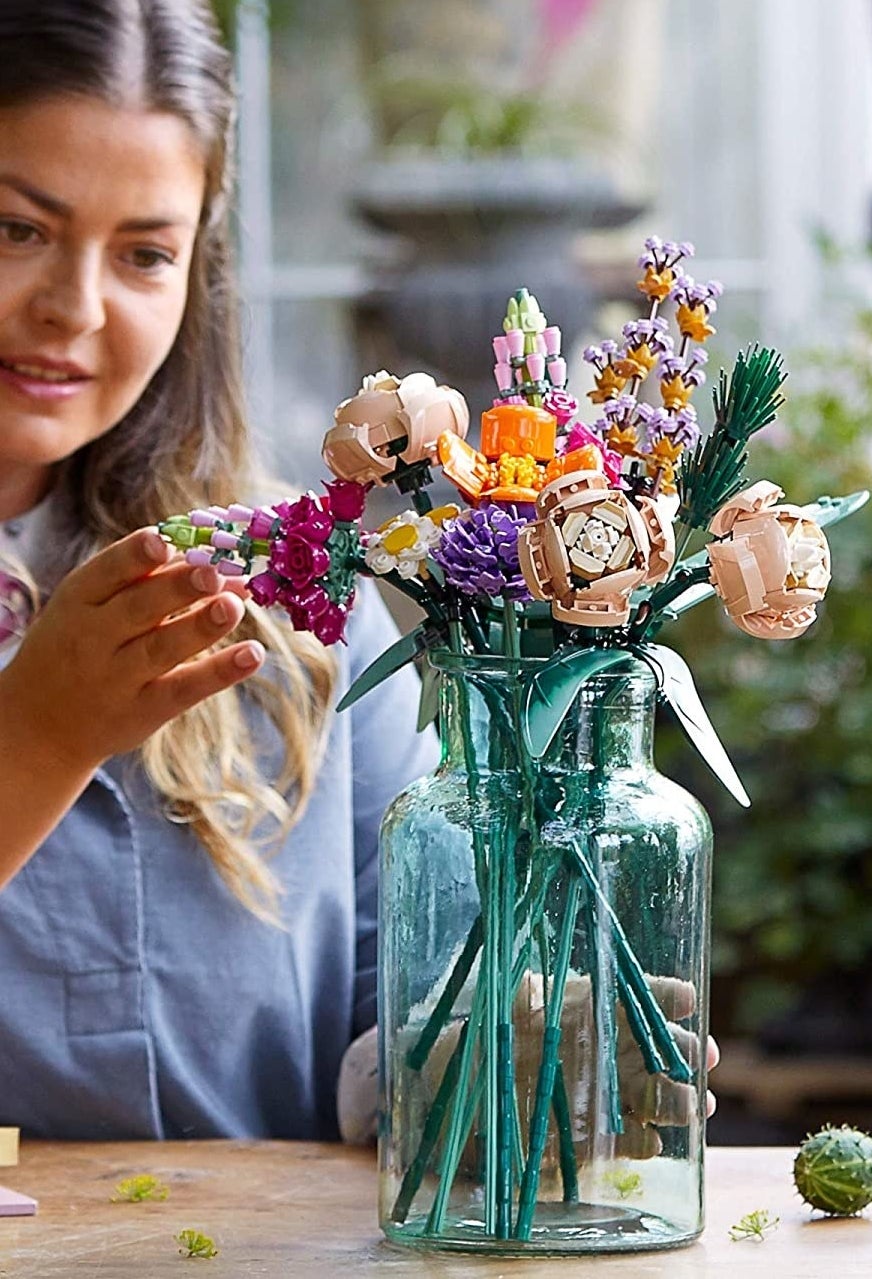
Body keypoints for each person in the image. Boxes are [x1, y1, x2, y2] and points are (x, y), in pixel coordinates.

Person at [0, 0, 717, 1146]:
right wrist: (32, 741)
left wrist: (486, 1053)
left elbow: (400, 998)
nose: (75, 308)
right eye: (16, 229)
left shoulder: (293, 585)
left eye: (144, 253)